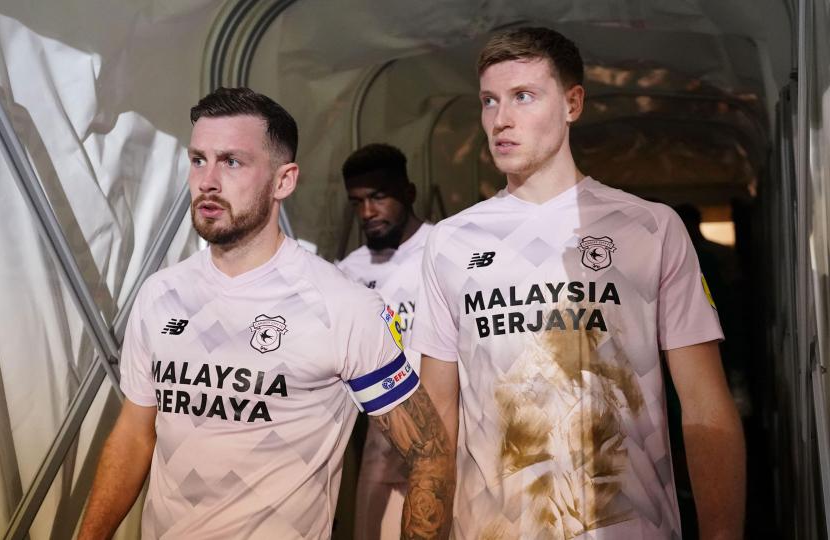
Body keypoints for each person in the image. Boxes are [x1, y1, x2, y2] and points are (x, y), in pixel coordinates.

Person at [410, 28, 746, 539]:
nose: (501, 119)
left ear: (572, 104)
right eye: (489, 101)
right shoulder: (451, 241)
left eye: (523, 96)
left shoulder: (649, 228)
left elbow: (704, 403)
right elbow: (436, 411)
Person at [78, 87, 454, 539]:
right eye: (198, 160)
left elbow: (429, 453)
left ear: (284, 181)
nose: (208, 180)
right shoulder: (161, 294)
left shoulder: (342, 305)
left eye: (231, 162)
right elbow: (134, 435)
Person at [336, 143, 432, 540]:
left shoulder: (443, 250)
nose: (367, 212)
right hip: (378, 438)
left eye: (378, 197)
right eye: (357, 202)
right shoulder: (347, 272)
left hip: (445, 429)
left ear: (408, 193)